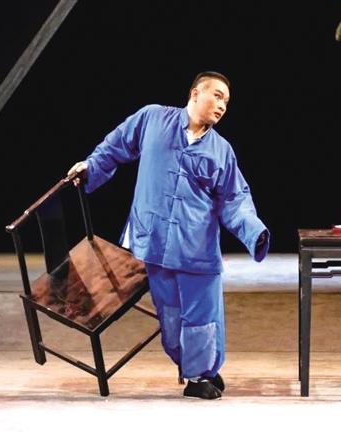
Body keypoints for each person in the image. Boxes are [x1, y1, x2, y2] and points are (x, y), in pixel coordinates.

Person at [67, 71, 270, 400]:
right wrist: (91, 165)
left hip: (197, 248)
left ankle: (200, 374)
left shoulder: (221, 150)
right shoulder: (153, 118)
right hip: (155, 241)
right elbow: (116, 145)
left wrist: (254, 231)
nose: (222, 106)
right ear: (195, 93)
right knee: (172, 317)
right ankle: (196, 368)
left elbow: (235, 199)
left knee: (203, 316)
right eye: (217, 96)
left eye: (227, 102)